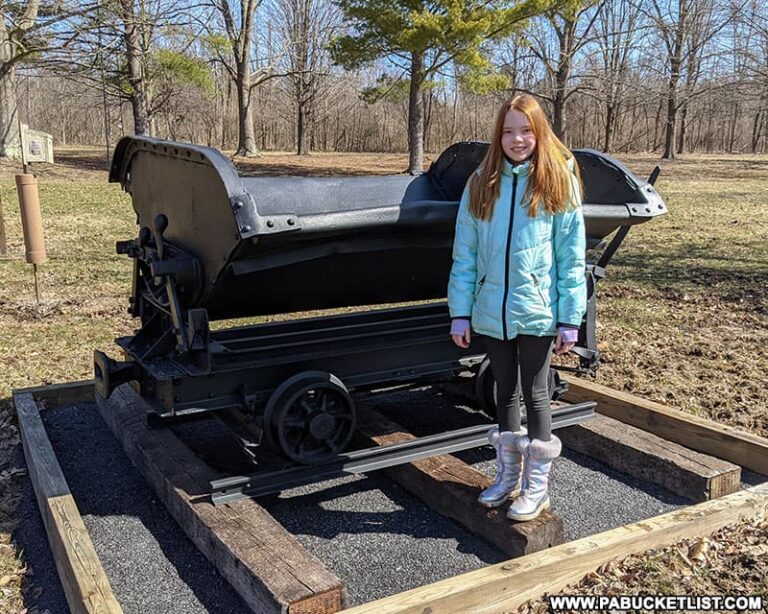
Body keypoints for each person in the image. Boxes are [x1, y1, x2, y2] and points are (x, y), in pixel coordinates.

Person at [447, 94, 587, 522]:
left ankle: (537, 487)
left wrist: (569, 318)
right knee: (503, 392)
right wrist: (461, 310)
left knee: (536, 393)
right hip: (492, 308)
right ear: (498, 135)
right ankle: (508, 477)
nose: (517, 139)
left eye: (525, 130)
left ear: (539, 132)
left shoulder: (557, 180)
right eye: (508, 131)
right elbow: (465, 252)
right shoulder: (482, 181)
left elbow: (571, 253)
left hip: (539, 310)